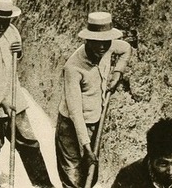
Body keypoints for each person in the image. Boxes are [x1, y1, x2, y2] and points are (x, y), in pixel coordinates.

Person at [0, 0, 54, 188]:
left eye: (5, 23)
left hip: (16, 104)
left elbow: (16, 59)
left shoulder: (12, 32)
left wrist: (20, 51)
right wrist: (0, 102)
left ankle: (44, 186)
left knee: (30, 145)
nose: (2, 27)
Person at [56, 12, 131, 188]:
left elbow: (126, 48)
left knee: (91, 177)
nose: (103, 47)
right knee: (73, 180)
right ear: (87, 40)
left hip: (94, 123)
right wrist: (87, 148)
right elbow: (75, 113)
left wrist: (118, 72)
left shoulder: (107, 47)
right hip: (70, 128)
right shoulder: (73, 68)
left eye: (106, 41)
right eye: (98, 42)